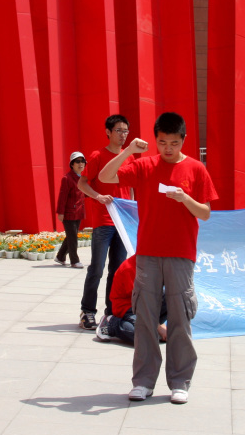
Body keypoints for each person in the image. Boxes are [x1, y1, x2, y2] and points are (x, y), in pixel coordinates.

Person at [99, 112, 217, 405]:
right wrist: (128, 151)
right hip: (148, 254)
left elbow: (205, 212)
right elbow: (104, 176)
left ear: (183, 140)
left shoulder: (195, 169)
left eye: (173, 143)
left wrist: (185, 199)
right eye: (162, 142)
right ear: (155, 140)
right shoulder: (145, 165)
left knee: (180, 317)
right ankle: (143, 381)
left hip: (180, 254)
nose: (167, 149)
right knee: (146, 318)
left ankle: (180, 381)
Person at [77, 114, 134, 330]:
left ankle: (111, 312)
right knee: (97, 268)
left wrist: (133, 211)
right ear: (108, 132)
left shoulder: (129, 157)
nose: (123, 135)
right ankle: (87, 311)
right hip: (103, 221)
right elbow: (82, 184)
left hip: (122, 222)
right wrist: (98, 197)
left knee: (117, 270)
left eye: (125, 131)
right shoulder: (98, 156)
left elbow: (130, 189)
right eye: (118, 130)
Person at [94, 255, 168, 344]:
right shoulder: (130, 268)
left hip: (144, 304)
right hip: (128, 307)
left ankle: (151, 326)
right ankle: (111, 324)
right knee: (144, 338)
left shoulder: (154, 264)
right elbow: (141, 304)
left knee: (172, 296)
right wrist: (159, 328)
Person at [55, 152, 87, 268]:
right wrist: (60, 212)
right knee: (73, 237)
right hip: (68, 213)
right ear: (72, 164)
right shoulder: (67, 178)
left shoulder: (82, 178)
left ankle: (60, 256)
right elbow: (62, 197)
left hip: (78, 212)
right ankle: (74, 260)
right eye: (77, 161)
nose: (80, 164)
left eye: (82, 161)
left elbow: (84, 193)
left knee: (71, 236)